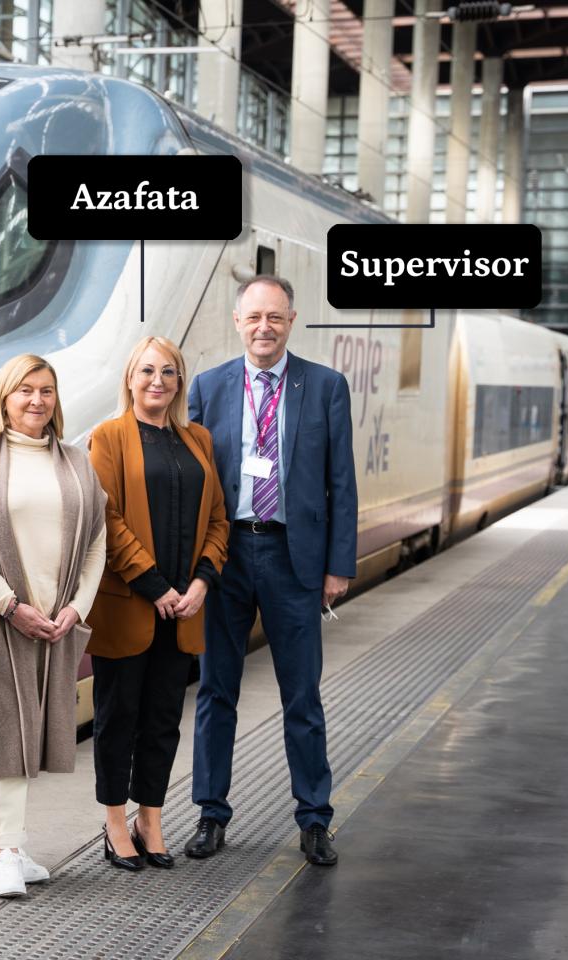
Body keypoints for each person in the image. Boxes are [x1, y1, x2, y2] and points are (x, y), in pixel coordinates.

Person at [184, 275, 358, 867]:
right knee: (215, 691)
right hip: (225, 556)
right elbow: (194, 484)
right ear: (237, 322)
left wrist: (339, 565)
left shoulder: (327, 387)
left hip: (294, 558)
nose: (265, 327)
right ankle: (210, 813)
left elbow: (342, 483)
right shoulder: (207, 388)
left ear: (291, 321)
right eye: (254, 317)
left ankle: (314, 819)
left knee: (302, 695)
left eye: (275, 318)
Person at [0, 354, 108, 898]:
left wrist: (76, 608)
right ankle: (10, 850)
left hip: (52, 621)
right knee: (3, 735)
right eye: (26, 391)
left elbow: (96, 544)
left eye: (47, 391)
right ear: (5, 397)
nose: (37, 401)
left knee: (27, 734)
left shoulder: (77, 462)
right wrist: (9, 605)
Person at [80, 336, 229, 872]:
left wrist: (201, 583)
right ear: (130, 378)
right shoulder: (109, 437)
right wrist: (156, 585)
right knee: (118, 716)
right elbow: (107, 520)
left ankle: (152, 817)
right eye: (147, 371)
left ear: (180, 381)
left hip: (185, 609)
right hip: (131, 605)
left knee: (165, 717)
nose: (157, 381)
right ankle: (115, 822)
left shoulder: (198, 440)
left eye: (168, 372)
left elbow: (218, 520)